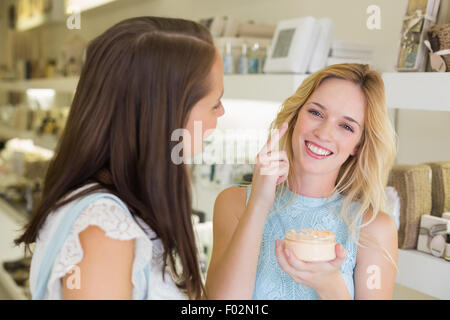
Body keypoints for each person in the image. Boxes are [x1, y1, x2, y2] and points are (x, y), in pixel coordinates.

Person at [14, 16, 224, 300]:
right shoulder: (103, 232)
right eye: (214, 102)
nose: (221, 112)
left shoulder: (114, 212)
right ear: (166, 114)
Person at [206, 63, 398, 300]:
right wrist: (258, 203)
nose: (324, 133)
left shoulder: (373, 229)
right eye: (316, 113)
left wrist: (330, 285)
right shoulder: (234, 203)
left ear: (358, 146)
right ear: (296, 116)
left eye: (346, 126)